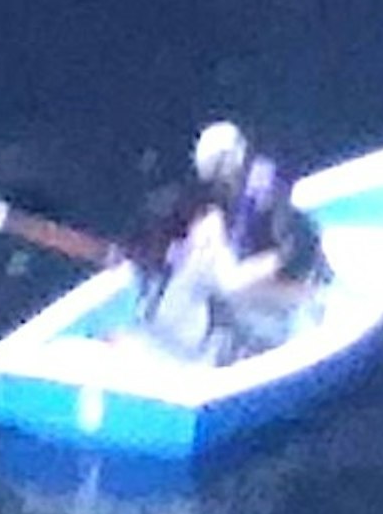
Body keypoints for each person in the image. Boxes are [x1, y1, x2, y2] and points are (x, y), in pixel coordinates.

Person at [133, 117, 328, 359]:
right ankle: (194, 335)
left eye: (216, 173)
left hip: (299, 280)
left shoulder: (264, 192)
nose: (214, 184)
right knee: (207, 249)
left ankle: (263, 327)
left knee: (230, 284)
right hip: (264, 269)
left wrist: (239, 277)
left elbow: (294, 252)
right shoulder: (229, 197)